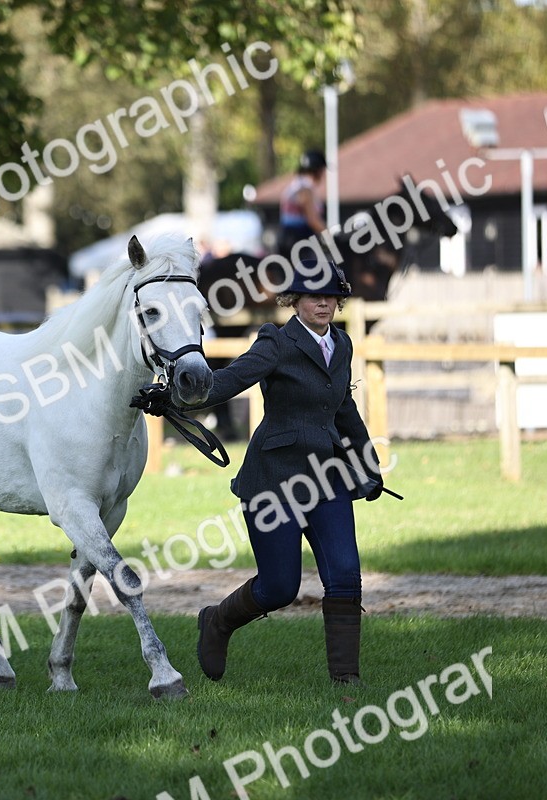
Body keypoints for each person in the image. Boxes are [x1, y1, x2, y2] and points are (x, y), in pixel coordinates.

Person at [152, 260, 387, 684]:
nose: (323, 303)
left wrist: (367, 465)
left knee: (346, 575)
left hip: (326, 478)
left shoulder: (344, 345)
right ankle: (217, 621)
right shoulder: (275, 343)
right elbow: (229, 381)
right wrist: (174, 395)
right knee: (280, 588)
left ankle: (346, 681)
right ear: (293, 300)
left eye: (331, 295)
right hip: (272, 481)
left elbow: (344, 408)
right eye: (313, 296)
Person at [279, 150, 328, 254]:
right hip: (298, 241)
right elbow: (313, 220)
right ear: (317, 170)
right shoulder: (305, 189)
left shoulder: (296, 185)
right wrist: (330, 236)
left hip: (288, 239)